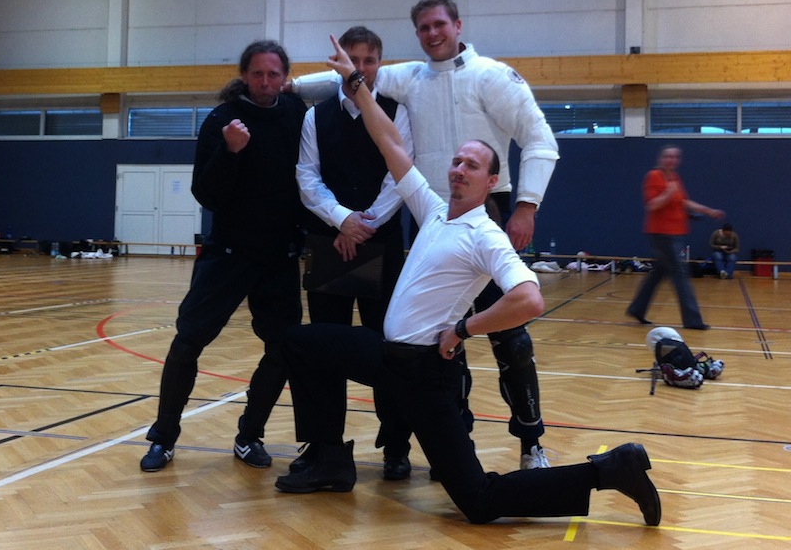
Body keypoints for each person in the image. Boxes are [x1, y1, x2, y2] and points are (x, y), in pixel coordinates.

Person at [273, 36, 661, 529]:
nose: (459, 169)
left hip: (423, 375)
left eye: (471, 166)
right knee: (299, 342)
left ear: (489, 181)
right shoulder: (434, 210)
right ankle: (329, 458)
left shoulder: (484, 235)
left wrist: (464, 329)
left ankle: (610, 470)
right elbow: (389, 142)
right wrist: (356, 82)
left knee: (478, 501)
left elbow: (529, 299)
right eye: (456, 161)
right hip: (387, 358)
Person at [293, 0, 559, 469]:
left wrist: (526, 207)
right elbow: (349, 77)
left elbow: (540, 138)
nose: (433, 34)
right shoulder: (410, 77)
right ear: (416, 33)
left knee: (511, 339)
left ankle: (531, 443)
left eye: (440, 24)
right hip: (431, 215)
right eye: (424, 27)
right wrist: (287, 86)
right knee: (437, 342)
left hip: (489, 214)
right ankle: (454, 444)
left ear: (458, 25)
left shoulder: (494, 76)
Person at [139, 40, 308, 472]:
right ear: (245, 76)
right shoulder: (221, 120)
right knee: (187, 342)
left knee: (283, 347)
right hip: (228, 253)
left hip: (279, 255)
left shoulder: (296, 113)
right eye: (258, 74)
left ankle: (249, 435)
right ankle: (163, 437)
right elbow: (207, 194)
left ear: (284, 77)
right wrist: (230, 151)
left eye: (273, 74)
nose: (265, 82)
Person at [295, 26, 414, 480]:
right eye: (353, 60)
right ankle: (325, 446)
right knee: (324, 348)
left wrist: (364, 225)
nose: (360, 69)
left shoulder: (397, 112)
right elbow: (307, 177)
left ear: (379, 64)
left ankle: (396, 445)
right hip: (329, 242)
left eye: (369, 60)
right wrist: (342, 219)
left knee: (390, 347)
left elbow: (400, 174)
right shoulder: (315, 117)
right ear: (337, 62)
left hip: (382, 244)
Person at [626, 145, 725, 330]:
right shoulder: (653, 176)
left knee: (659, 273)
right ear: (661, 159)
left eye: (675, 157)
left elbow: (684, 201)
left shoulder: (675, 178)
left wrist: (707, 210)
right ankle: (693, 320)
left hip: (676, 233)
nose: (671, 160)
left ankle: (637, 308)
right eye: (668, 156)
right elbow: (652, 205)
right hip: (662, 234)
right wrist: (668, 193)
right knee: (680, 275)